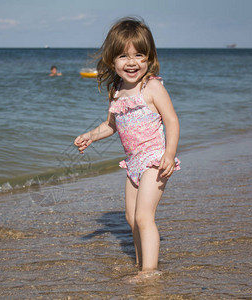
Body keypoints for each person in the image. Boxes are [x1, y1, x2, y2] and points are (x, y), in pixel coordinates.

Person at [74, 17, 180, 281]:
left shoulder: (152, 87)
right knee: (131, 218)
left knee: (144, 216)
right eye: (123, 56)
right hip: (133, 162)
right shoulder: (117, 91)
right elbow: (112, 125)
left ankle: (149, 272)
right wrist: (90, 135)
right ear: (112, 60)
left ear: (149, 58)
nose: (131, 62)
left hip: (154, 159)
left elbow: (172, 120)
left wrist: (168, 155)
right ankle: (140, 262)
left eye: (139, 55)